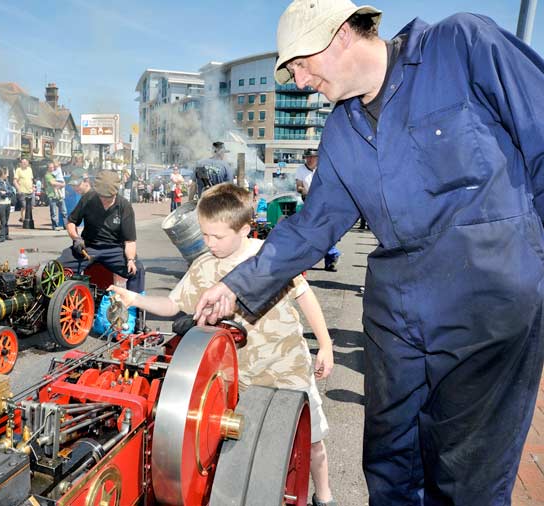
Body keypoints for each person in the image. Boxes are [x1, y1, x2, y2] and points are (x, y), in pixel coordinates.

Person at [193, 1, 544, 504]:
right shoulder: (341, 130)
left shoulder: (461, 47)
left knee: (467, 480)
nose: (296, 81)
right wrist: (234, 285)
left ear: (338, 35)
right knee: (390, 469)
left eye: (298, 64)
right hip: (398, 320)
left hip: (489, 312)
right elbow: (312, 228)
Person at [110, 183, 336, 505]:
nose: (209, 243)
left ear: (245, 228)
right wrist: (135, 299)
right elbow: (175, 305)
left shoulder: (269, 256)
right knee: (243, 442)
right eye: (204, 235)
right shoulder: (204, 266)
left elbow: (305, 297)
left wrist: (325, 345)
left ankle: (324, 496)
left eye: (217, 237)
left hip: (288, 367)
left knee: (311, 439)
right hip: (237, 377)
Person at [58, 170, 145, 296]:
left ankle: (134, 308)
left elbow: (129, 240)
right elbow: (71, 222)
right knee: (59, 266)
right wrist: (76, 238)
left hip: (114, 249)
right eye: (102, 197)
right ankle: (66, 301)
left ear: (115, 193)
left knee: (137, 270)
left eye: (108, 198)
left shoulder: (124, 206)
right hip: (89, 246)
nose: (104, 200)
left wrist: (130, 260)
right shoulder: (88, 198)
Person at [296, 148, 341, 271]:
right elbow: (299, 185)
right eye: (308, 157)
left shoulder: (324, 168)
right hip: (309, 203)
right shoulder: (301, 169)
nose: (310, 160)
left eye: (312, 158)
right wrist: (303, 190)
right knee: (311, 232)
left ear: (317, 158)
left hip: (325, 203)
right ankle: (308, 259)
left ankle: (331, 259)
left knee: (327, 231)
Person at [0, 167, 15, 242]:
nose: (7, 175)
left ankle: (6, 235)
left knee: (6, 220)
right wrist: (6, 193)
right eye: (6, 173)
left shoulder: (7, 182)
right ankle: (2, 236)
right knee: (3, 220)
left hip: (8, 203)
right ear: (2, 174)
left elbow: (12, 191)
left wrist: (5, 192)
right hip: (1, 203)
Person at [45, 162, 68, 230]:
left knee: (64, 211)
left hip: (59, 196)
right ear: (48, 168)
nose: (52, 169)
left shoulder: (56, 173)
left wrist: (62, 184)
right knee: (54, 212)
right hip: (52, 196)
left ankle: (65, 225)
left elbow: (62, 181)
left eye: (53, 167)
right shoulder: (48, 175)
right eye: (51, 167)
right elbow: (53, 183)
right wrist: (62, 184)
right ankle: (55, 226)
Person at [13, 158, 34, 223]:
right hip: (22, 191)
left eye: (25, 162)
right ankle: (24, 220)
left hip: (30, 191)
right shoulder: (18, 170)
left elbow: (31, 179)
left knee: (31, 206)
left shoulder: (30, 169)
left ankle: (24, 218)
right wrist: (18, 189)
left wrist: (33, 187)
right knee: (24, 206)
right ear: (20, 164)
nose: (24, 164)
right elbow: (14, 181)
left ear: (27, 163)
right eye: (23, 163)